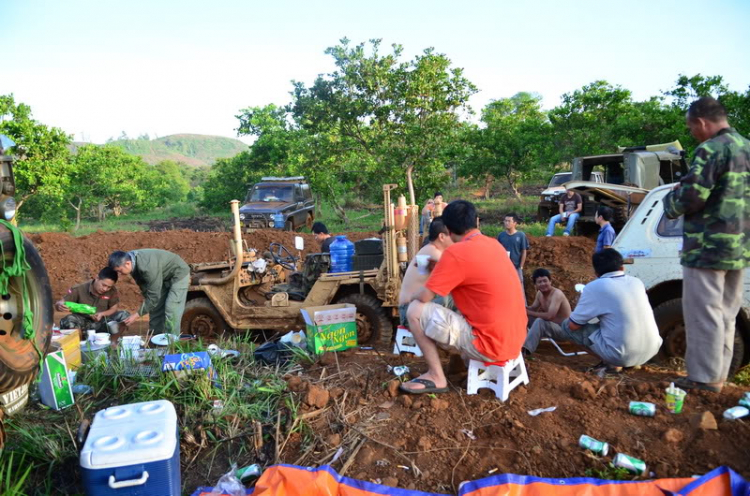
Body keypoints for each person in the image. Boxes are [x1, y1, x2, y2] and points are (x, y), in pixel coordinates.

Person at [663, 96, 750, 393]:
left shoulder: (710, 149)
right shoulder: (747, 147)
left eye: (692, 128)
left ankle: (703, 379)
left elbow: (691, 197)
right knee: (726, 314)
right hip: (741, 247)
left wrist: (671, 199)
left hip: (707, 247)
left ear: (701, 122)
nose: (693, 134)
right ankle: (718, 375)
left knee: (703, 315)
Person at [400, 200, 527, 394]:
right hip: (516, 339)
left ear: (448, 231)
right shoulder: (494, 244)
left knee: (415, 310)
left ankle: (436, 376)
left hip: (490, 346)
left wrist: (412, 295)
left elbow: (425, 297)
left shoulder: (455, 253)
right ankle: (462, 362)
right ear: (476, 221)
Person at [557, 249, 662, 373]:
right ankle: (629, 362)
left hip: (622, 355)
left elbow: (573, 325)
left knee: (566, 326)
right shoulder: (637, 282)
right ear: (622, 268)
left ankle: (611, 364)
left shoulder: (595, 287)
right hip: (652, 350)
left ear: (596, 273)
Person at [108, 249, 190, 335]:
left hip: (178, 273)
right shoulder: (131, 262)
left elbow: (154, 296)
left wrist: (137, 315)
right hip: (161, 276)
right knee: (155, 308)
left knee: (171, 307)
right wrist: (148, 304)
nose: (119, 274)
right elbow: (144, 286)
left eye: (120, 271)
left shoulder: (147, 267)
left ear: (128, 264)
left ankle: (173, 342)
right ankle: (155, 338)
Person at [398, 217, 454, 325]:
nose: (456, 238)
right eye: (452, 234)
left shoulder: (429, 250)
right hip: (409, 310)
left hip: (413, 308)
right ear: (442, 237)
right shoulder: (432, 252)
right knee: (457, 299)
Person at [55, 267, 130, 333]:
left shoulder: (112, 291)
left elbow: (113, 308)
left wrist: (101, 314)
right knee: (68, 320)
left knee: (124, 315)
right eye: (103, 285)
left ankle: (113, 343)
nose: (105, 289)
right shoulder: (79, 289)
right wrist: (60, 305)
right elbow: (61, 302)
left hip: (102, 323)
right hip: (82, 323)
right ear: (97, 278)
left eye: (109, 287)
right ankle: (80, 343)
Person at [522, 268, 572, 354]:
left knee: (539, 322)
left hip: (564, 330)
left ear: (550, 281)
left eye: (545, 281)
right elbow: (532, 308)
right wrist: (520, 308)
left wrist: (529, 312)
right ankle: (513, 342)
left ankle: (525, 351)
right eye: (539, 282)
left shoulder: (557, 294)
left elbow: (550, 316)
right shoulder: (539, 294)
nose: (543, 284)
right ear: (535, 284)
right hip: (551, 327)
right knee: (523, 314)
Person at [497, 213, 529, 296]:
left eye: (509, 221)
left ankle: (523, 307)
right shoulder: (501, 236)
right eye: (505, 221)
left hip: (516, 267)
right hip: (504, 268)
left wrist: (521, 267)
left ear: (515, 223)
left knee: (519, 289)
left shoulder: (521, 235)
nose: (506, 223)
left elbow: (524, 251)